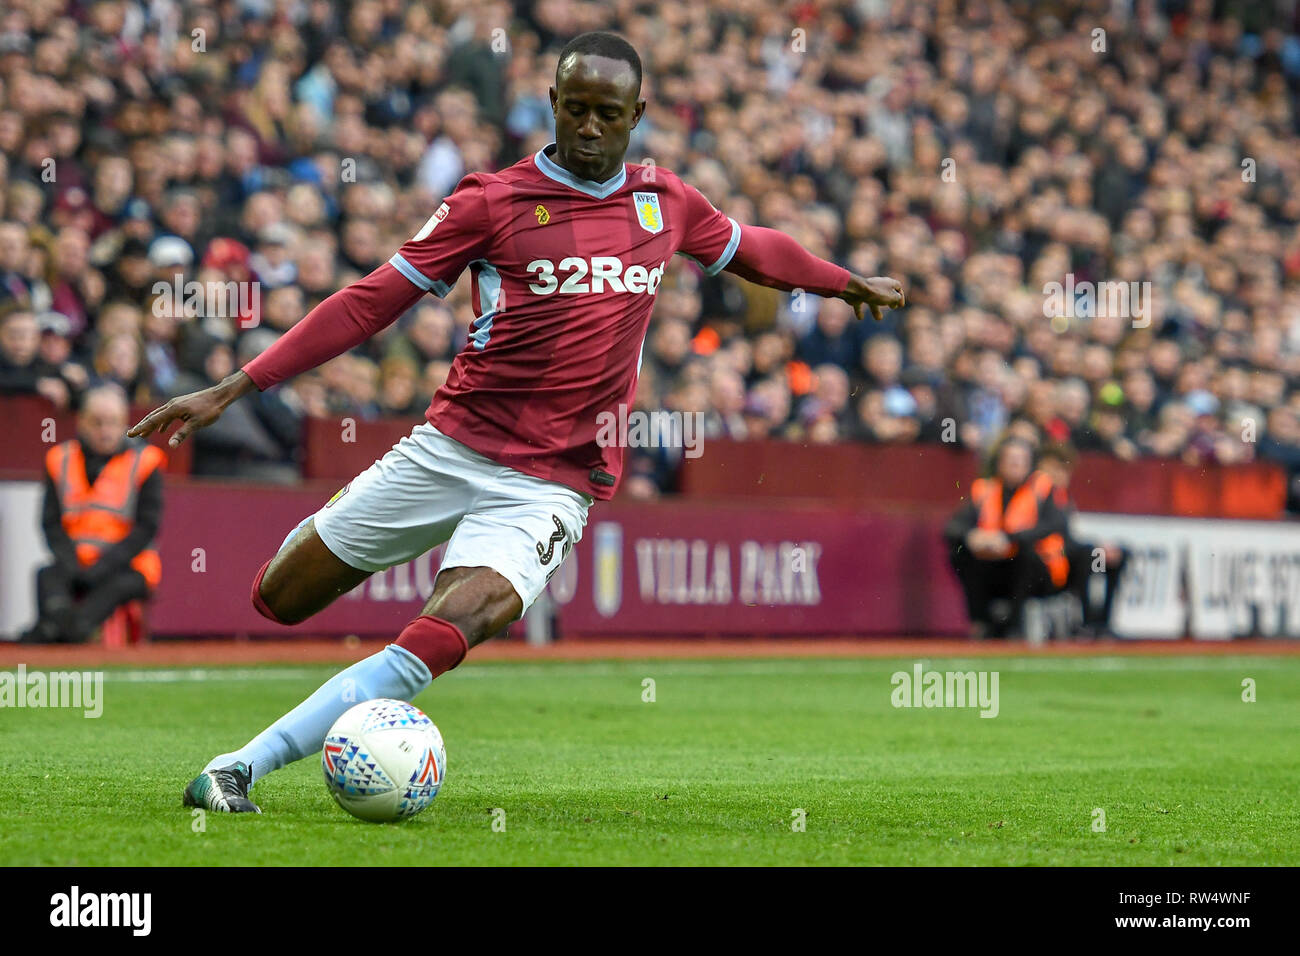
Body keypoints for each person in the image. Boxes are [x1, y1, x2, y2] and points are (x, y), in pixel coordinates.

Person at [128, 32, 906, 813]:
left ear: (637, 114)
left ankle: (237, 769)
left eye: (608, 113)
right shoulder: (492, 201)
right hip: (450, 448)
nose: (591, 128)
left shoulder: (663, 201)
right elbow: (371, 302)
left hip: (554, 483)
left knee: (443, 633)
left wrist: (842, 283)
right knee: (281, 598)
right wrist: (236, 385)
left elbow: (751, 248)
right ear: (553, 105)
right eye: (576, 110)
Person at [21, 385, 164, 643]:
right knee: (46, 575)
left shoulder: (146, 461)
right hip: (73, 564)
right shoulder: (59, 459)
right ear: (81, 422)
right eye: (97, 423)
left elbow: (146, 528)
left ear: (124, 423)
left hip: (127, 567)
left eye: (113, 423)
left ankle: (59, 631)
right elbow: (50, 524)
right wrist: (72, 564)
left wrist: (101, 568)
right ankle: (63, 627)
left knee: (115, 588)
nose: (105, 431)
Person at [944, 435, 1068, 639]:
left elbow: (1056, 523)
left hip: (1038, 570)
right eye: (1010, 460)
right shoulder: (985, 489)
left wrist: (1010, 538)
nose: (1015, 465)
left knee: (1025, 557)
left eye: (1020, 461)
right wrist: (973, 536)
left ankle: (1014, 625)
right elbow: (953, 527)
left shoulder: (1043, 489)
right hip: (996, 566)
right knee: (960, 553)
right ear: (1000, 463)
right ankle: (981, 623)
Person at [1036, 443, 1129, 638]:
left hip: (1068, 558)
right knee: (1088, 554)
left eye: (1063, 469)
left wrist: (1101, 548)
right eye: (1054, 468)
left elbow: (1067, 537)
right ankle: (1085, 622)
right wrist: (1094, 548)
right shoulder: (1036, 495)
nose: (1059, 474)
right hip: (1047, 563)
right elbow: (1052, 535)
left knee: (1118, 555)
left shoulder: (1061, 497)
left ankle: (1103, 622)